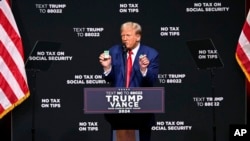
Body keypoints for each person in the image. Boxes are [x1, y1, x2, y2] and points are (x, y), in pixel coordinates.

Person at [99, 21, 159, 141]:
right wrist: (107, 67)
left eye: (128, 35)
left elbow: (151, 80)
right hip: (118, 111)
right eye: (122, 35)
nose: (124, 39)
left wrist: (143, 69)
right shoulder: (113, 51)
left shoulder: (151, 53)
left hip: (141, 112)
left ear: (138, 36)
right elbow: (109, 78)